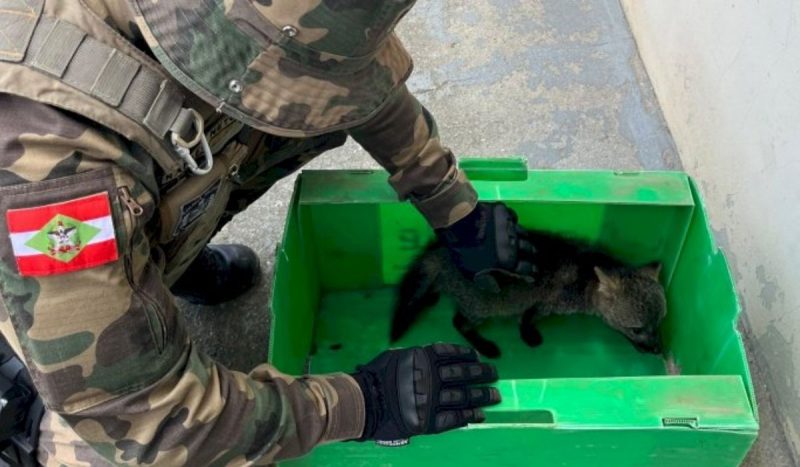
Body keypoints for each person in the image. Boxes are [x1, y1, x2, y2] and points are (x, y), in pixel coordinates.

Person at [0, 1, 533, 465]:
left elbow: (350, 78)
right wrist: (364, 403)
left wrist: (453, 207)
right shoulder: (55, 179)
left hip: (114, 197)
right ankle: (31, 428)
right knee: (130, 454)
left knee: (296, 114)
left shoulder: (218, 21)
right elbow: (148, 426)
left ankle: (149, 263)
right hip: (29, 297)